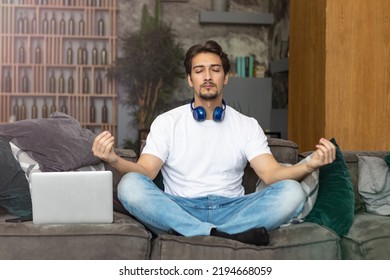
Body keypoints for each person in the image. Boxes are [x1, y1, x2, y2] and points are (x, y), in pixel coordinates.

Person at [92, 40, 335, 246]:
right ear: (190, 79)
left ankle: (193, 232)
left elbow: (272, 175)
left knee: (292, 192)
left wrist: (310, 164)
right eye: (199, 70)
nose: (207, 77)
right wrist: (113, 159)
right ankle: (221, 235)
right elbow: (146, 171)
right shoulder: (167, 122)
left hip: (233, 208)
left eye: (215, 69)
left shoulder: (247, 125)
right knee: (130, 185)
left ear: (226, 77)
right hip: (180, 206)